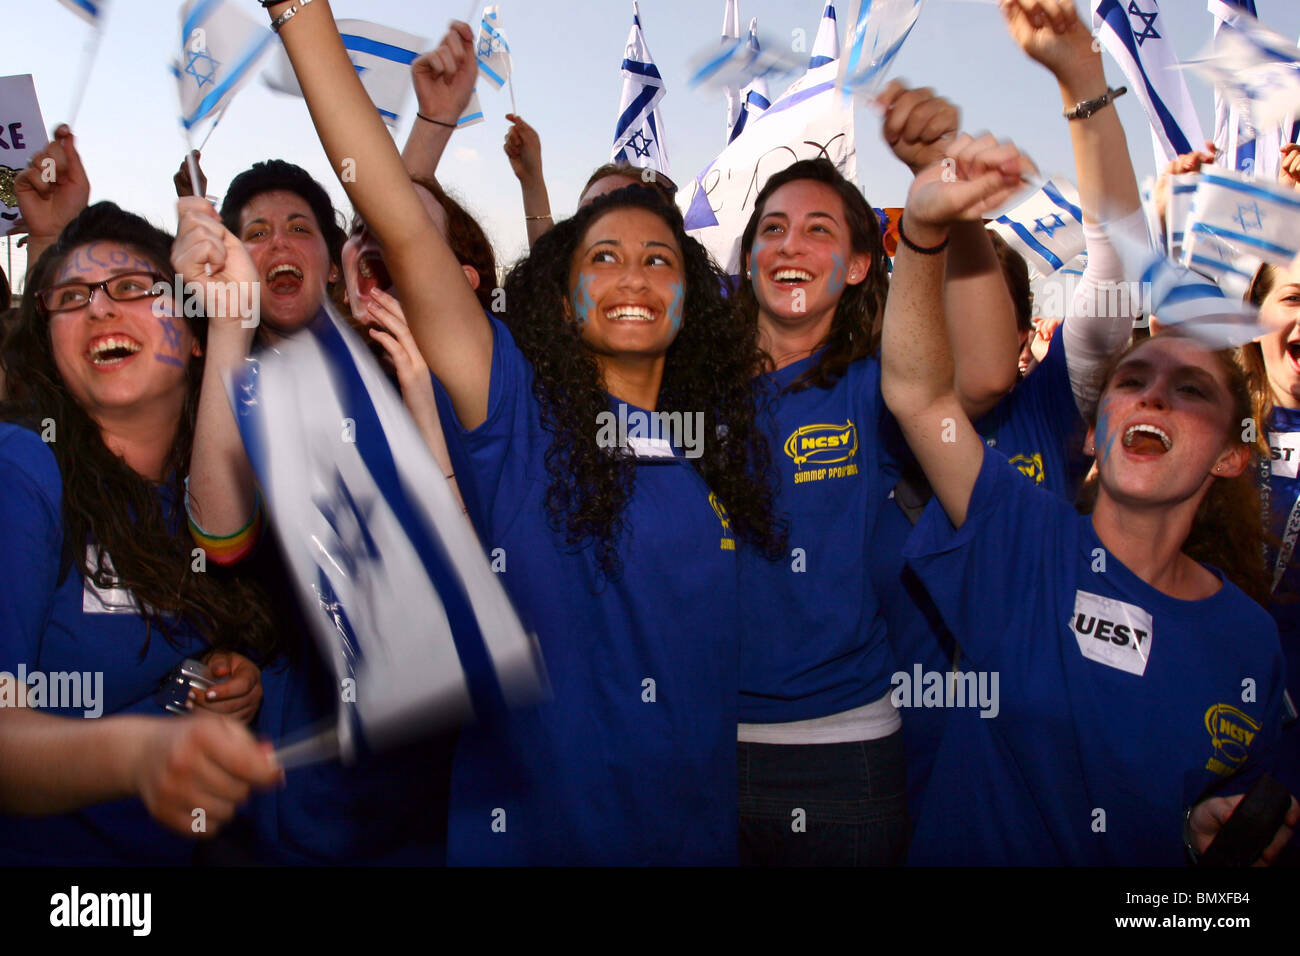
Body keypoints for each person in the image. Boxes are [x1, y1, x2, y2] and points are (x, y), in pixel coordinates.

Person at [267, 0, 784, 863]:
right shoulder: (518, 410)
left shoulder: (717, 451)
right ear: (562, 297)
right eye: (603, 257)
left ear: (691, 299)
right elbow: (393, 212)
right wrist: (299, 13)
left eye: (660, 258)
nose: (634, 276)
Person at [881, 135, 1297, 864]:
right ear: (1096, 429)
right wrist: (927, 221)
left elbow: (1203, 802)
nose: (1155, 397)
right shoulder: (1023, 540)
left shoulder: (1249, 642)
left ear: (1235, 454)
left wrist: (1202, 825)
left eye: (1192, 392)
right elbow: (917, 391)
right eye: (1132, 382)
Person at [731, 75, 1024, 864]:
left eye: (819, 230)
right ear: (750, 252)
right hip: (692, 748)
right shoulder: (689, 388)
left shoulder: (872, 388)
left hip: (841, 763)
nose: (790, 244)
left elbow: (991, 371)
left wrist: (951, 208)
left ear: (861, 266)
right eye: (773, 227)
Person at [0, 202, 281, 864]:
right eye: (71, 297)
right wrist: (139, 753)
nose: (99, 309)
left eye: (131, 288)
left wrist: (219, 688)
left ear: (192, 334)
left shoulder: (215, 491)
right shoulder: (23, 471)